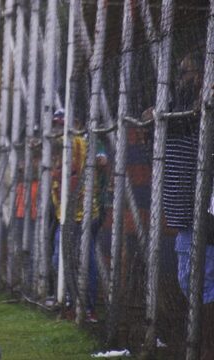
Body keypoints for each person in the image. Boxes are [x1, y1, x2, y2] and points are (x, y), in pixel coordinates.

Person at [143, 51, 214, 360]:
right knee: (190, 278)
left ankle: (206, 347)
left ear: (201, 75)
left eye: (187, 73)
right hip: (184, 212)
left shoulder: (204, 106)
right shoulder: (180, 106)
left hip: (204, 210)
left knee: (203, 281)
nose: (182, 78)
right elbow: (164, 128)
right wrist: (152, 119)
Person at [50, 109, 108, 323]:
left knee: (85, 259)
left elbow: (102, 159)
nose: (58, 128)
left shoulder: (83, 143)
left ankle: (87, 307)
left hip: (84, 214)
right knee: (60, 258)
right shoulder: (57, 145)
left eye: (62, 124)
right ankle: (69, 301)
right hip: (64, 214)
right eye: (56, 124)